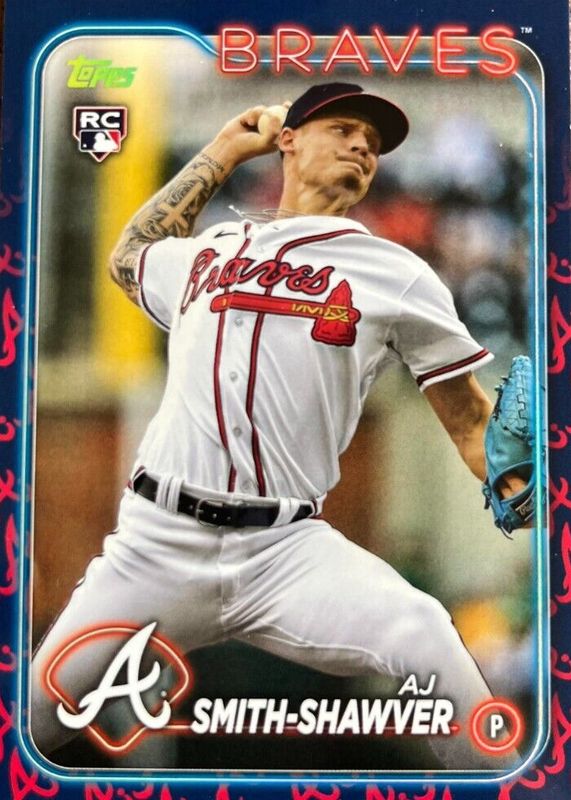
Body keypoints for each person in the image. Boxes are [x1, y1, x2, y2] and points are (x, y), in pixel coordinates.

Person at [31, 82, 526, 769]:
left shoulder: (398, 274)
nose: (362, 147)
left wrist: (529, 487)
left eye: (372, 144)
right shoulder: (210, 250)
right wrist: (225, 149)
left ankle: (510, 788)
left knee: (424, 632)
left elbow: (471, 422)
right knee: (31, 719)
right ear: (288, 139)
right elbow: (129, 256)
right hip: (154, 546)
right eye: (344, 129)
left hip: (285, 551)